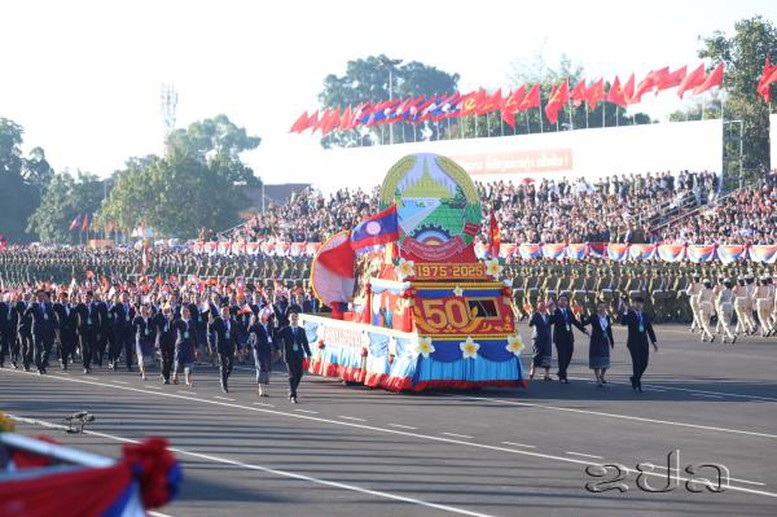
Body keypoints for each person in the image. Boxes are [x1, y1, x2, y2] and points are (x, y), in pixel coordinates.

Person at [618, 296, 658, 392]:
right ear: (633, 304)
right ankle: (637, 383)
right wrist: (625, 311)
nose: (638, 305)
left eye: (640, 303)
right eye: (636, 303)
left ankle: (634, 378)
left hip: (643, 342)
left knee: (644, 363)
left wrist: (654, 342)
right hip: (633, 342)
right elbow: (623, 322)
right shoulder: (630, 314)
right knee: (636, 363)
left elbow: (649, 329)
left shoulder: (644, 315)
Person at [548, 294, 588, 384]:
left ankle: (561, 371)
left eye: (565, 300)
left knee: (569, 356)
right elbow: (550, 321)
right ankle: (563, 376)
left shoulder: (569, 312)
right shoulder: (556, 311)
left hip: (569, 337)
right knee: (562, 357)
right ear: (558, 302)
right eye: (561, 300)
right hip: (559, 338)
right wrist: (551, 311)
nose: (563, 301)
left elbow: (576, 323)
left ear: (567, 302)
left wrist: (584, 330)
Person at [25, 289, 58, 375]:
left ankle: (43, 364)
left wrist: (57, 329)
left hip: (47, 331)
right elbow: (26, 313)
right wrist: (29, 305)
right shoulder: (33, 305)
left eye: (43, 296)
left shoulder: (48, 306)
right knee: (37, 348)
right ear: (36, 297)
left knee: (47, 348)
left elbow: (53, 318)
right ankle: (39, 367)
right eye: (39, 296)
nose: (41, 297)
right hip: (36, 330)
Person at [280, 312, 311, 403]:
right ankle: (293, 396)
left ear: (298, 319)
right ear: (289, 319)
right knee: (292, 375)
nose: (294, 319)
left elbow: (305, 343)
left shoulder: (301, 330)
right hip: (289, 356)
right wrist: (276, 325)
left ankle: (292, 389)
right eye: (292, 317)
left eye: (295, 317)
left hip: (299, 355)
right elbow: (277, 335)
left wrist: (308, 354)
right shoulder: (286, 329)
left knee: (299, 374)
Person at [583, 300, 615, 387]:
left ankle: (602, 376)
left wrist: (611, 341)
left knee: (605, 360)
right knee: (596, 360)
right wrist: (582, 315)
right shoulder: (593, 317)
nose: (602, 309)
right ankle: (598, 378)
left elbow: (609, 330)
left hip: (604, 341)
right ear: (597, 308)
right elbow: (584, 323)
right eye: (600, 307)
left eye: (603, 307)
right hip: (596, 341)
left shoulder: (607, 317)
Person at [208, 304, 238, 393]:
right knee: (223, 366)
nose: (225, 312)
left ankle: (224, 378)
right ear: (221, 311)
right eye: (223, 310)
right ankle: (224, 385)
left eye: (226, 310)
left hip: (230, 346)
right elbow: (211, 331)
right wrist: (210, 323)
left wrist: (238, 347)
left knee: (230, 366)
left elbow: (235, 335)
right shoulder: (217, 321)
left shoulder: (232, 322)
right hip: (221, 346)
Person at [248, 308, 277, 396]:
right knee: (260, 367)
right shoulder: (257, 325)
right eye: (261, 316)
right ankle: (261, 389)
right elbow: (250, 330)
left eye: (264, 316)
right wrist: (252, 322)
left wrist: (278, 348)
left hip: (268, 349)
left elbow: (273, 337)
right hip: (258, 349)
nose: (262, 318)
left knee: (267, 367)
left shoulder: (270, 325)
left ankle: (264, 386)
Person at [172, 305, 198, 387]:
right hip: (180, 345)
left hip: (189, 346)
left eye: (186, 311)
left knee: (189, 363)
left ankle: (188, 380)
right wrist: (171, 318)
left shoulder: (191, 322)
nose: (185, 313)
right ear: (180, 313)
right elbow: (171, 327)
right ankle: (175, 373)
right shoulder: (178, 321)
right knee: (178, 362)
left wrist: (196, 347)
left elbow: (194, 335)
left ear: (189, 312)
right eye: (183, 311)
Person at [74, 291, 98, 374]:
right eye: (84, 296)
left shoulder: (94, 306)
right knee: (84, 348)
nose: (86, 298)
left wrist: (98, 330)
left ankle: (88, 362)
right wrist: (76, 327)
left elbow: (97, 318)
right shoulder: (80, 306)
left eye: (87, 296)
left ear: (91, 297)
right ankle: (85, 366)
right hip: (82, 329)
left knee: (91, 348)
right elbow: (73, 315)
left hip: (92, 329)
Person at [53, 291, 78, 370]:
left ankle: (66, 358)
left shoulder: (70, 308)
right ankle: (64, 362)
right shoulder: (58, 306)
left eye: (64, 297)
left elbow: (74, 319)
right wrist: (57, 299)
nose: (63, 299)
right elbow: (53, 308)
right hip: (61, 329)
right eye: (61, 297)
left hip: (70, 330)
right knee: (62, 346)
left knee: (70, 345)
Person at [528, 301, 552, 381]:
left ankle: (547, 374)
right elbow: (530, 324)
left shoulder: (548, 315)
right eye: (540, 305)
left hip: (547, 338)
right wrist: (531, 315)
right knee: (536, 355)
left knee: (547, 355)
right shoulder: (535, 315)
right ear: (537, 307)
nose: (542, 306)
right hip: (537, 338)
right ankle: (532, 372)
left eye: (543, 305)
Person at [133, 304, 157, 380]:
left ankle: (141, 369)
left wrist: (153, 339)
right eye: (142, 309)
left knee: (146, 357)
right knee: (141, 356)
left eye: (144, 309)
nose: (143, 311)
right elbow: (133, 326)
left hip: (147, 339)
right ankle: (143, 374)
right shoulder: (138, 318)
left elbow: (153, 329)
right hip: (140, 339)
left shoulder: (150, 319)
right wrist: (135, 316)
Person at [154, 304, 176, 384]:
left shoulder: (173, 316)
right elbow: (153, 323)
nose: (166, 310)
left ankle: (166, 371)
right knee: (163, 359)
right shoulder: (158, 316)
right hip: (161, 340)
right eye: (165, 308)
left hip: (170, 340)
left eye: (168, 308)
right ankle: (165, 377)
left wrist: (171, 319)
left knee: (170, 359)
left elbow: (176, 326)